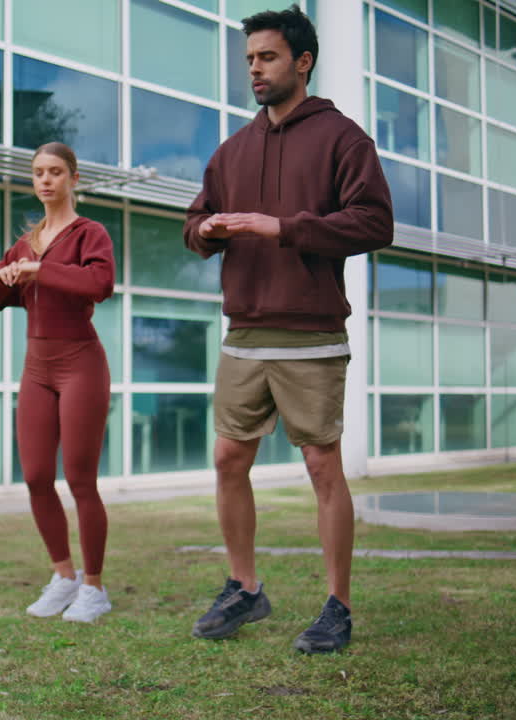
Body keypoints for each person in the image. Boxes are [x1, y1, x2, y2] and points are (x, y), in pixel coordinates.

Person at [182, 5, 393, 653]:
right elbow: (194, 223)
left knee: (321, 463)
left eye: (267, 57)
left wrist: (287, 228)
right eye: (249, 59)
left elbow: (374, 224)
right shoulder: (233, 149)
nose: (255, 69)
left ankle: (337, 607)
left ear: (302, 62)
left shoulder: (343, 139)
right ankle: (245, 589)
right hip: (244, 332)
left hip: (311, 331)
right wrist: (208, 232)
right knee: (227, 458)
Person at [0, 142, 116, 623]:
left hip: (81, 365)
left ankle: (94, 587)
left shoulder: (89, 234)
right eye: (38, 173)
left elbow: (99, 285)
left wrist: (41, 270)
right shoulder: (25, 242)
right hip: (37, 369)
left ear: (74, 178)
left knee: (80, 479)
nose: (46, 180)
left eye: (55, 172)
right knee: (35, 476)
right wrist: (7, 274)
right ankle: (63, 576)